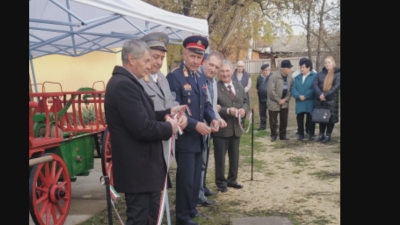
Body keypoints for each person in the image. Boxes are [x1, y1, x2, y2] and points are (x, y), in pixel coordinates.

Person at [104, 39, 180, 225]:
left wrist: (166, 114)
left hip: (143, 171)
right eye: (146, 61)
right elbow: (142, 128)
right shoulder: (123, 85)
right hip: (139, 170)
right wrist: (170, 127)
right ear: (131, 59)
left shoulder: (128, 82)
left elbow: (143, 115)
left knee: (150, 217)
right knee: (141, 218)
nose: (149, 66)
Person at [166, 35, 220, 225]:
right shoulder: (175, 77)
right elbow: (175, 110)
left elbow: (205, 105)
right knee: (186, 179)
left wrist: (213, 119)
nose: (196, 61)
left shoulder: (199, 77)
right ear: (185, 54)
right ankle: (182, 217)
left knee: (197, 177)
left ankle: (191, 209)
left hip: (200, 138)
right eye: (193, 56)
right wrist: (194, 124)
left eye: (200, 57)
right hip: (186, 138)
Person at [139, 32, 188, 167]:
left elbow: (170, 101)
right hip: (150, 141)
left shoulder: (162, 77)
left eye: (162, 57)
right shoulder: (138, 79)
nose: (159, 62)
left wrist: (181, 115)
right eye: (155, 57)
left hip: (166, 138)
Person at [213, 59, 249, 193]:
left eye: (227, 71)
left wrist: (244, 110)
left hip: (236, 128)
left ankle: (232, 179)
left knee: (234, 156)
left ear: (232, 71)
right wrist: (227, 111)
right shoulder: (215, 87)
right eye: (222, 71)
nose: (224, 74)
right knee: (220, 157)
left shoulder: (239, 86)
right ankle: (220, 181)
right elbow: (212, 107)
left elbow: (246, 102)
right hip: (222, 129)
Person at [197, 51, 227, 207]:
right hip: (197, 127)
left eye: (217, 67)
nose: (214, 69)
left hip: (210, 127)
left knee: (205, 161)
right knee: (199, 163)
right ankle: (198, 194)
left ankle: (202, 187)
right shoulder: (197, 78)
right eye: (211, 65)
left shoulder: (213, 82)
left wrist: (217, 118)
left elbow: (211, 105)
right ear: (205, 62)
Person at [313, 56, 340, 143]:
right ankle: (321, 134)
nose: (327, 64)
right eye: (325, 63)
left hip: (331, 100)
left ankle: (328, 135)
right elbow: (315, 85)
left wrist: (326, 95)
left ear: (333, 62)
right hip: (321, 99)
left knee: (330, 118)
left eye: (329, 62)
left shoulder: (337, 74)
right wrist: (320, 94)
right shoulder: (320, 74)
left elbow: (336, 87)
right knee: (322, 117)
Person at [267, 60, 294, 142]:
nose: (291, 70)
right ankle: (274, 135)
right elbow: (271, 91)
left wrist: (285, 99)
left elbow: (291, 90)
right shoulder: (274, 76)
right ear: (284, 69)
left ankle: (283, 135)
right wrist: (278, 100)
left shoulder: (290, 77)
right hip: (274, 102)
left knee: (284, 120)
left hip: (284, 102)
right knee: (273, 120)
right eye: (289, 68)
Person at [291, 59, 317, 141]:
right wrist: (298, 96)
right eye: (300, 67)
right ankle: (301, 134)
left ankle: (311, 133)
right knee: (299, 118)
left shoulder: (314, 76)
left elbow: (314, 88)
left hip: (310, 101)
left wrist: (306, 96)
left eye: (303, 67)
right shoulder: (297, 77)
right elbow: (293, 88)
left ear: (309, 68)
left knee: (311, 118)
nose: (301, 69)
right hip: (300, 101)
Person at [256, 63, 272, 131]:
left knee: (272, 113)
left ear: (269, 70)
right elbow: (257, 87)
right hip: (261, 99)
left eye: (266, 70)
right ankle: (262, 126)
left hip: (270, 99)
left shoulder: (272, 77)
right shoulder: (259, 78)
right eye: (263, 70)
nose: (265, 71)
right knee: (262, 113)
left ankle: (274, 126)